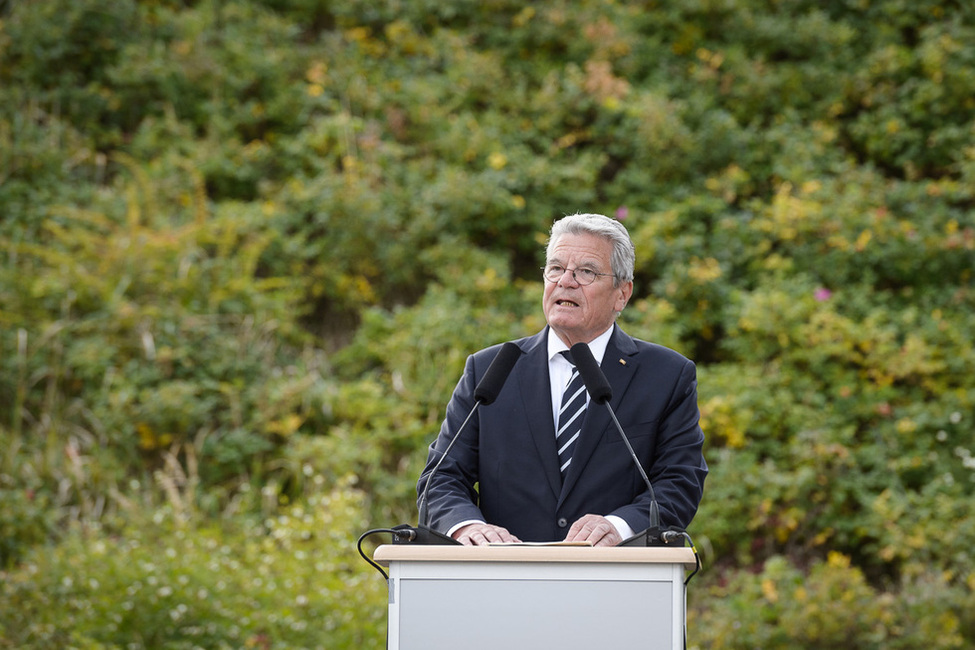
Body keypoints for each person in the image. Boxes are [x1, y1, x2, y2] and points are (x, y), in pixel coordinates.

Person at [416, 213, 708, 547]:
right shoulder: (490, 370)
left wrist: (619, 525)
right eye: (555, 268)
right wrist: (467, 526)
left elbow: (680, 481)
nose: (565, 282)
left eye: (586, 271)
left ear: (622, 294)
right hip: (502, 576)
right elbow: (441, 478)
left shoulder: (667, 375)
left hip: (616, 580)